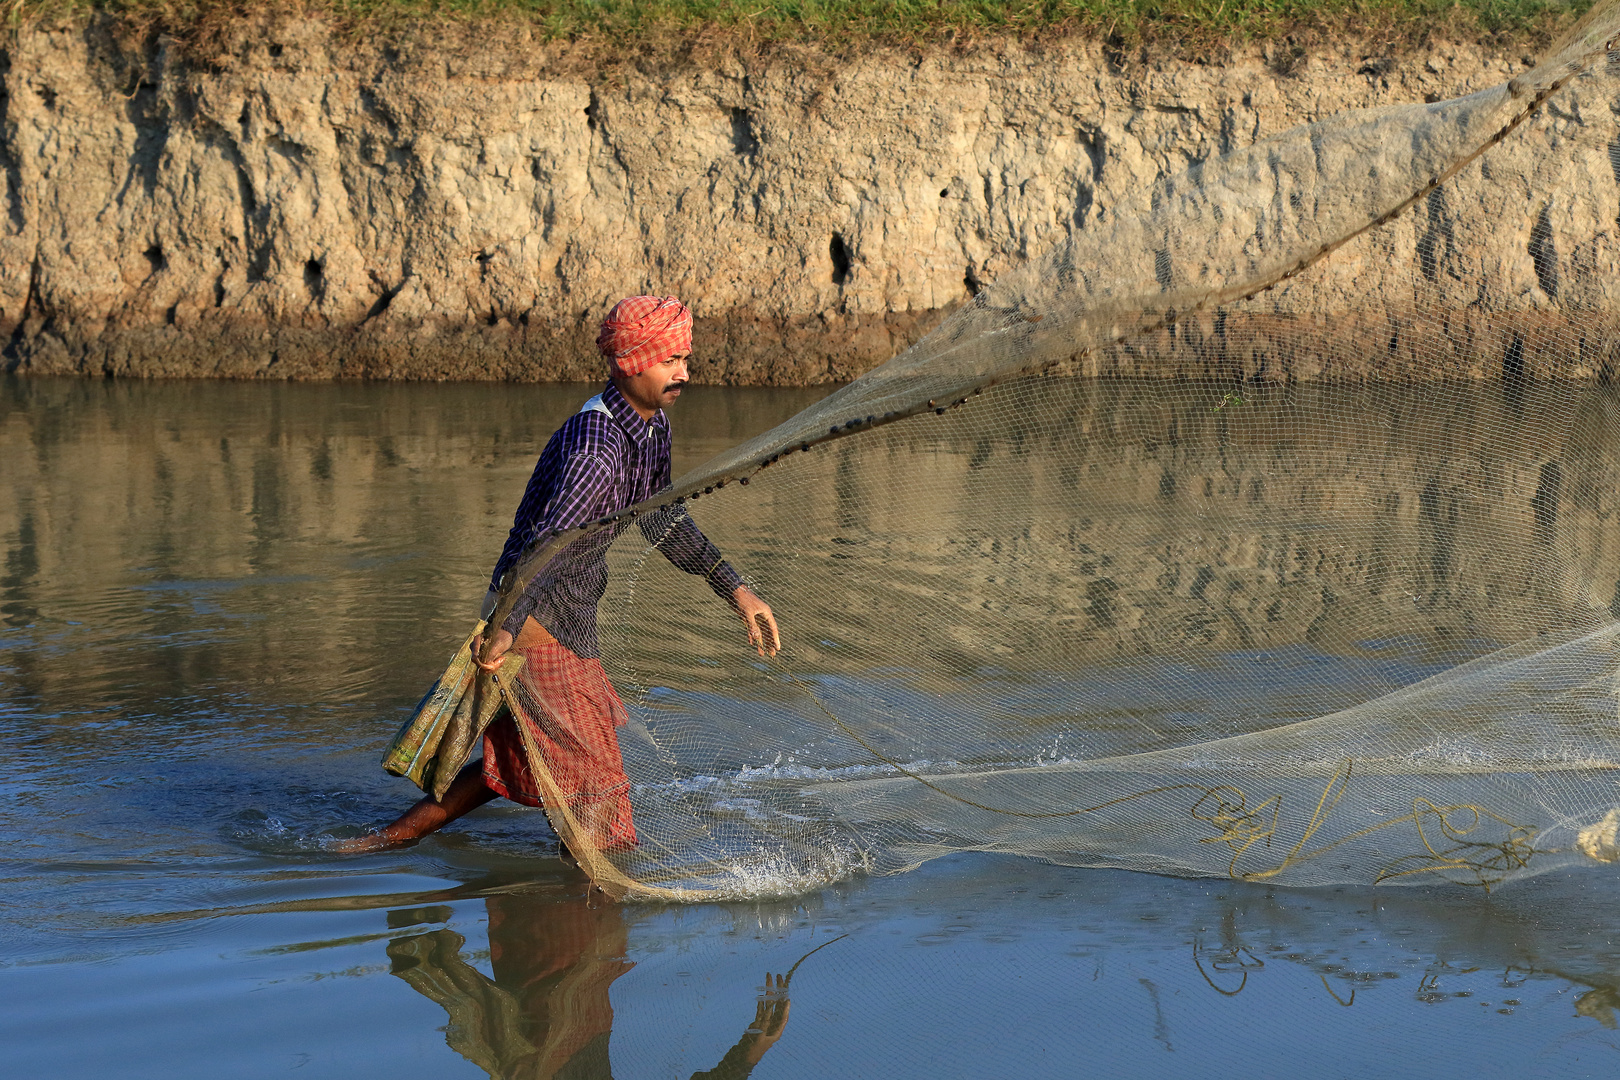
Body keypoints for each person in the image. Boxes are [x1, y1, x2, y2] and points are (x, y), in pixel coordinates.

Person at [343, 295, 780, 856]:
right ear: (630, 363)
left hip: (564, 613)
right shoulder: (596, 448)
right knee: (599, 796)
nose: (683, 373)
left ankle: (388, 840)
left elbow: (662, 520)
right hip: (536, 618)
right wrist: (506, 628)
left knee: (532, 758)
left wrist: (735, 589)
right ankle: (593, 916)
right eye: (669, 360)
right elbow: (547, 544)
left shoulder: (650, 429)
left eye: (685, 358)